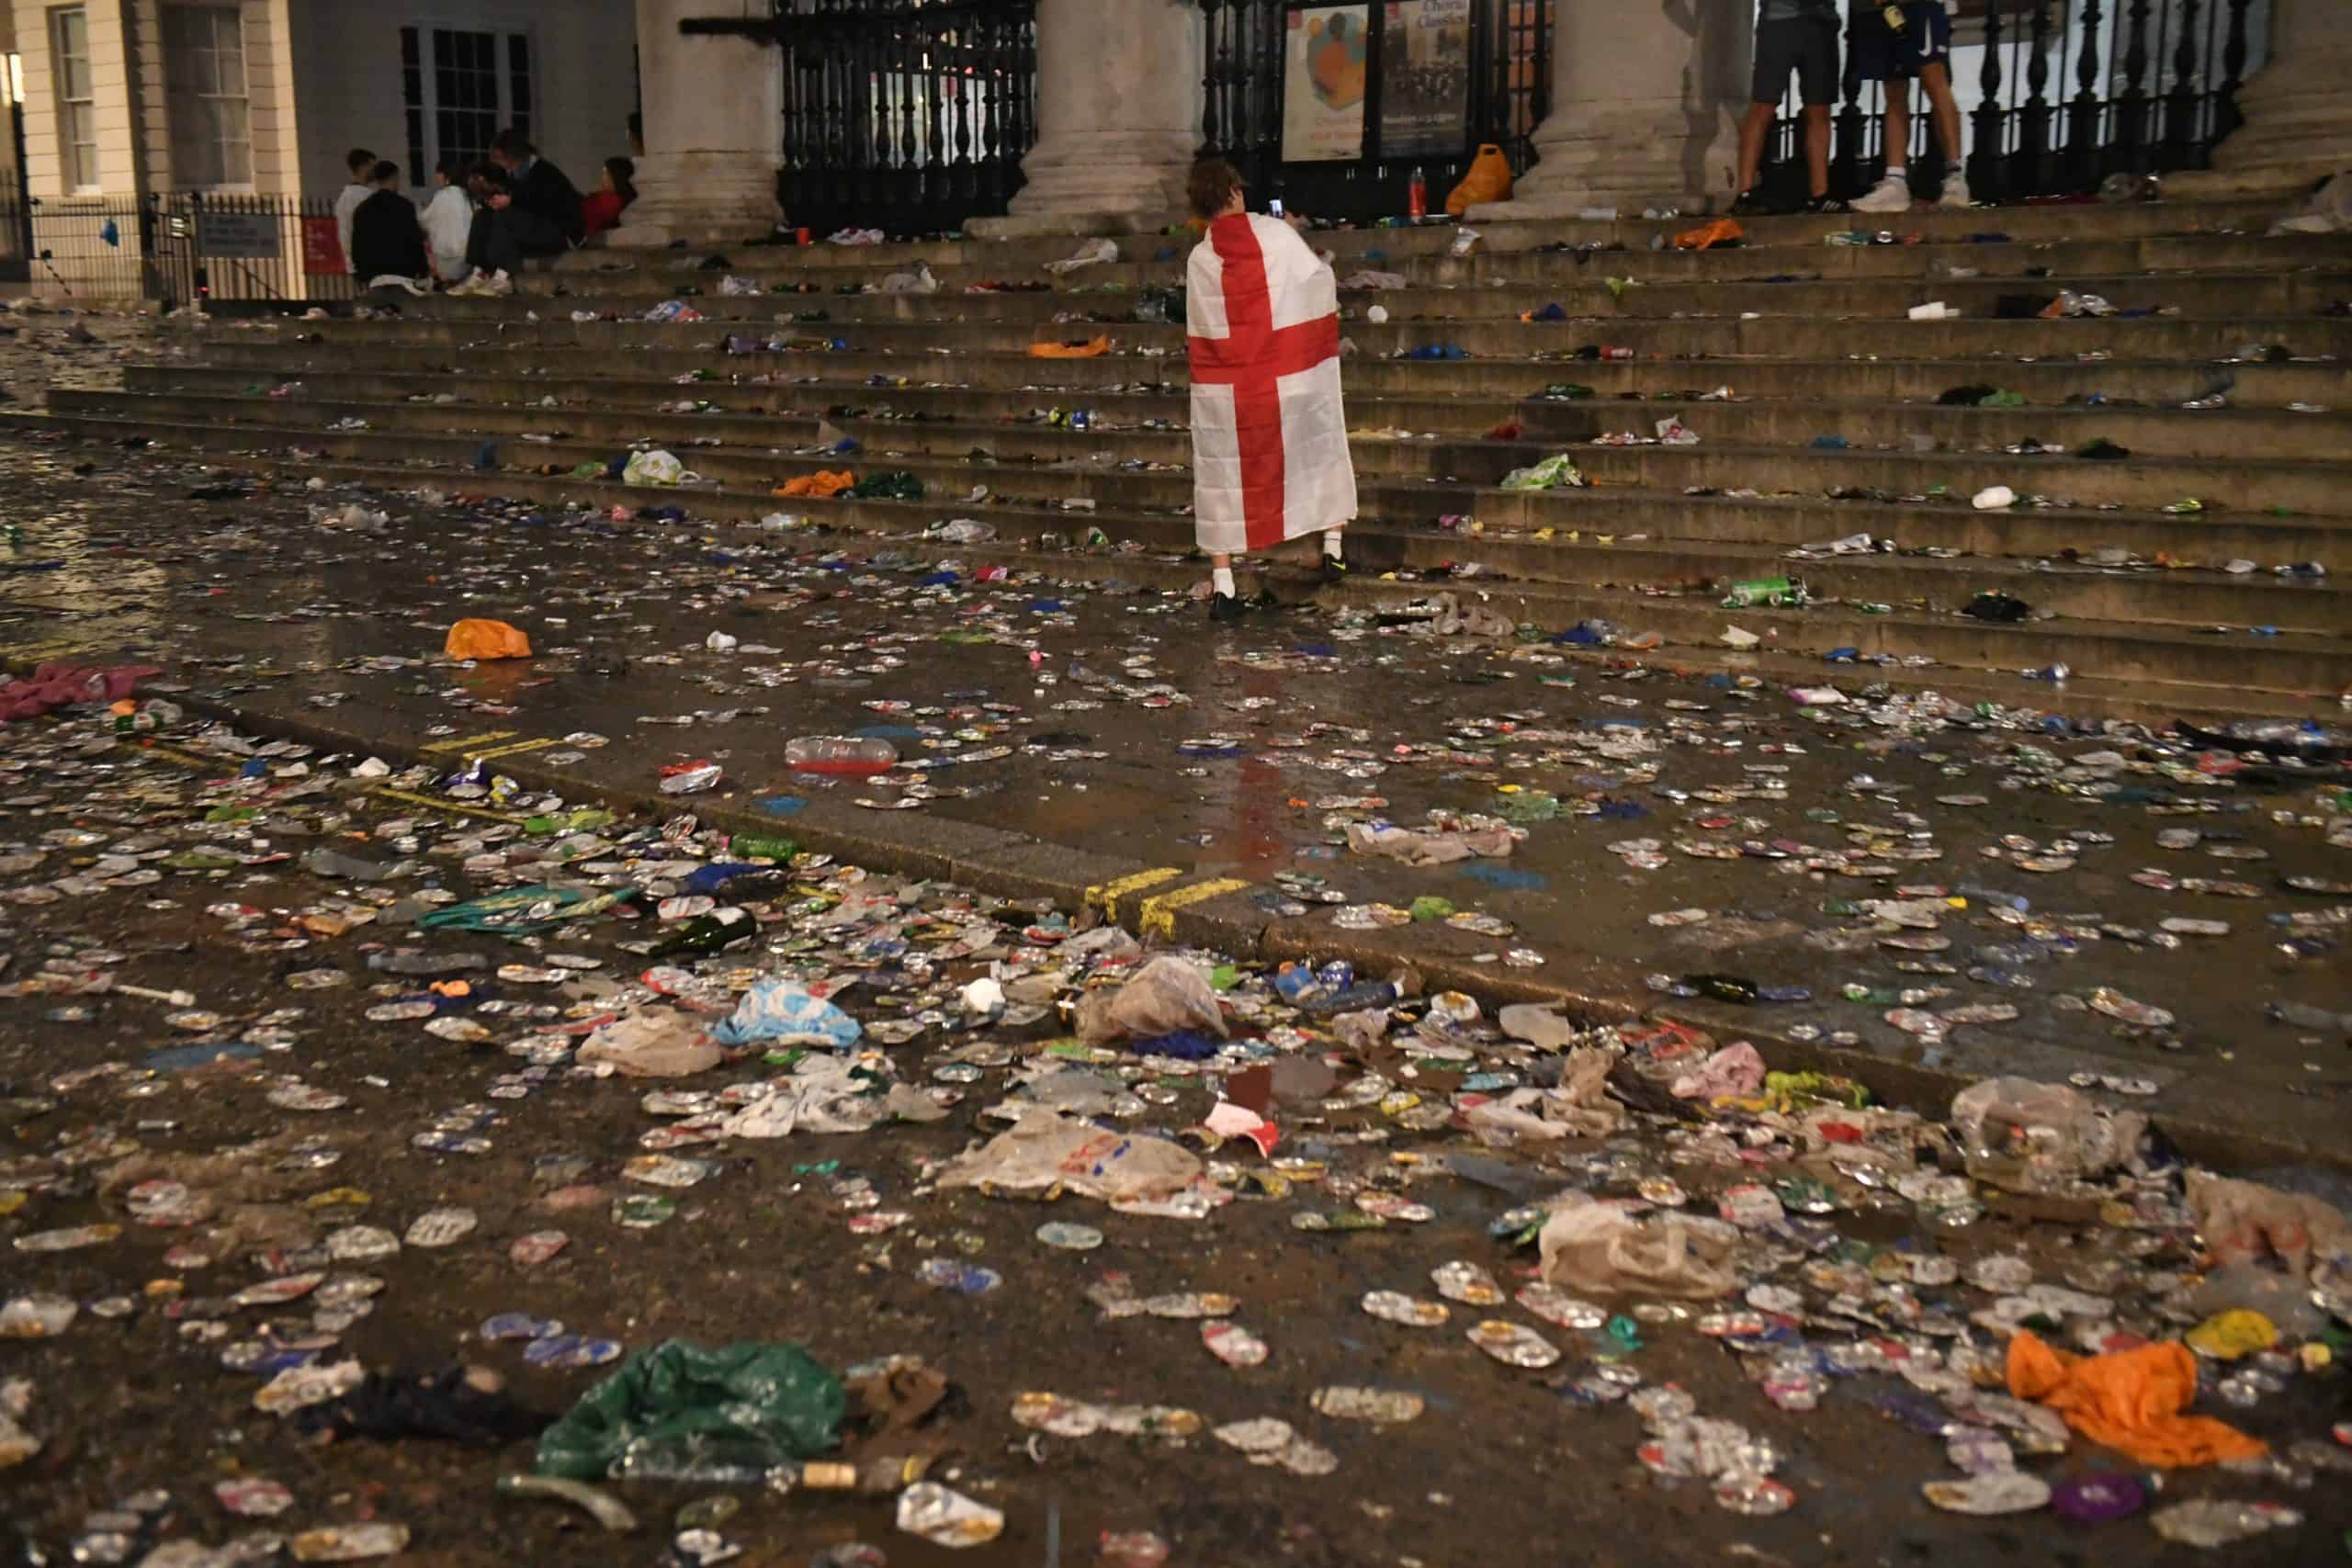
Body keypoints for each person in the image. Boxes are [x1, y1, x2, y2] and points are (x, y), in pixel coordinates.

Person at [1184, 159, 1356, 625]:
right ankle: (1334, 546)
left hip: (1229, 391)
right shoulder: (1275, 235)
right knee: (1317, 444)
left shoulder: (1201, 259)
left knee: (1221, 477)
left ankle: (1224, 587)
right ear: (1235, 192)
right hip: (1289, 377)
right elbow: (1316, 281)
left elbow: (1203, 328)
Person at [1852, 1, 1970, 212]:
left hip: (1921, 5)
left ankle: (1955, 176)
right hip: (1881, 10)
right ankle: (1895, 181)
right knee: (1894, 89)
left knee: (1934, 78)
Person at [1732, 1, 1848, 215]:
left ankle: (1819, 194)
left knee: (1819, 109)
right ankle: (1745, 193)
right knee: (1763, 106)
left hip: (1822, 24)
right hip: (1779, 21)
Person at [449, 128, 584, 297]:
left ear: (514, 156)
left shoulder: (546, 173)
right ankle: (480, 271)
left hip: (559, 232)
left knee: (504, 215)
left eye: (503, 160)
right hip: (534, 226)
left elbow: (542, 203)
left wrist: (510, 201)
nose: (502, 165)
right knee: (483, 216)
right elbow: (518, 198)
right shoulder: (517, 175)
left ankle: (503, 275)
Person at [348, 160, 429, 292]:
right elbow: (414, 240)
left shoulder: (363, 209)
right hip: (403, 273)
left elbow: (358, 244)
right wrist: (422, 269)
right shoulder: (404, 206)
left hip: (375, 276)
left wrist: (362, 273)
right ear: (394, 177)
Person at [421, 157, 475, 285]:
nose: (435, 177)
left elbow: (423, 221)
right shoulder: (467, 196)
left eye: (437, 173)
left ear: (446, 175)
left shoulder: (442, 196)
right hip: (467, 259)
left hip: (447, 260)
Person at [333, 147, 377, 271]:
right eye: (373, 165)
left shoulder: (344, 197)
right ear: (364, 166)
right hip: (370, 261)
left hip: (354, 262)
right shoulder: (365, 196)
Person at [581, 155, 636, 240]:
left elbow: (590, 219)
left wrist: (594, 196)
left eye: (605, 173)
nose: (603, 177)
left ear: (615, 175)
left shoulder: (613, 201)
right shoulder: (609, 197)